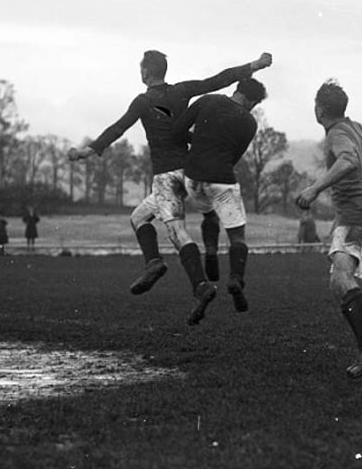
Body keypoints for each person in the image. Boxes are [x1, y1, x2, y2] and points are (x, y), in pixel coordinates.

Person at [67, 49, 272, 311]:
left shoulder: (142, 101)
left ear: (144, 72)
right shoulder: (181, 91)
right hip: (189, 170)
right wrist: (254, 65)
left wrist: (89, 149)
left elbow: (118, 128)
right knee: (139, 217)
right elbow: (217, 81)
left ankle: (199, 285)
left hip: (165, 175)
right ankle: (164, 259)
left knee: (176, 232)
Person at [296, 79, 362, 379]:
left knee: (340, 280)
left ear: (319, 109)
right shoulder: (356, 128)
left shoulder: (337, 133)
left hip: (356, 215)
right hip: (357, 213)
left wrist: (314, 189)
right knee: (339, 280)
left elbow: (348, 159)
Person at [171, 77, 268, 320]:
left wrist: (198, 142)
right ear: (247, 98)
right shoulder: (249, 122)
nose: (253, 108)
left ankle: (211, 251)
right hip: (221, 177)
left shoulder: (207, 101)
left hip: (193, 178)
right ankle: (235, 278)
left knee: (208, 214)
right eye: (254, 103)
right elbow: (233, 156)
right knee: (237, 236)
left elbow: (177, 131)